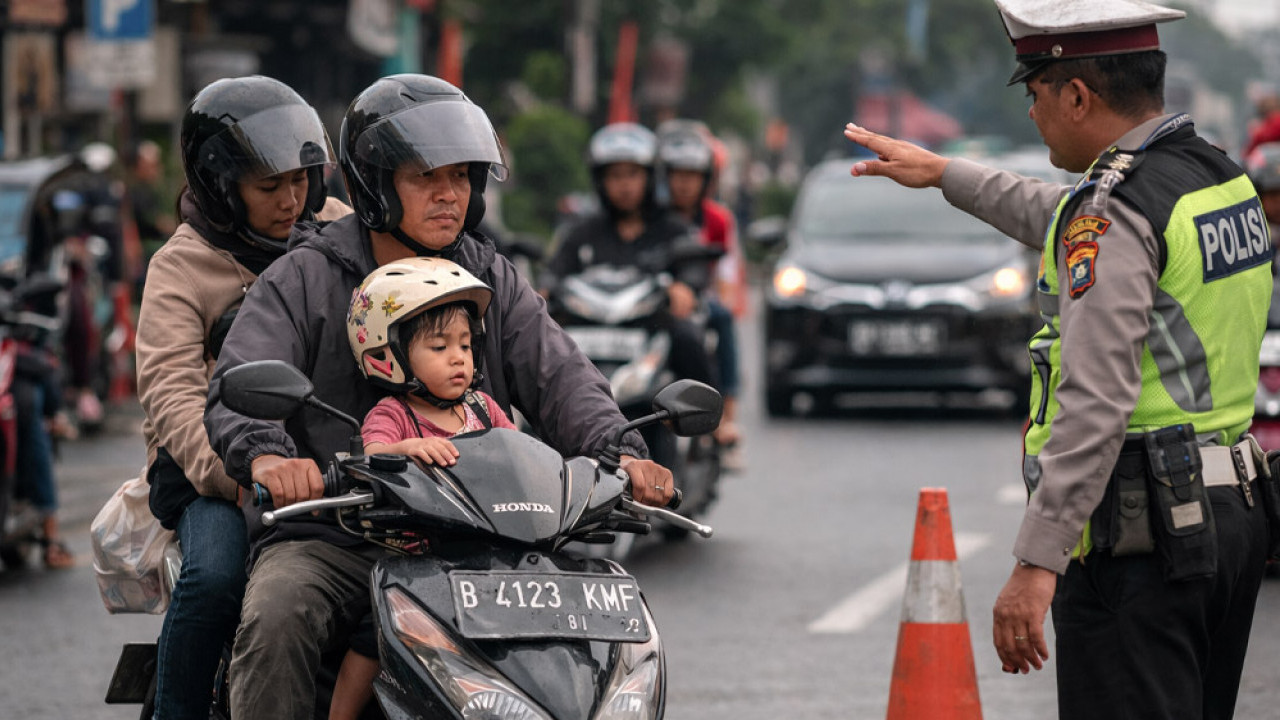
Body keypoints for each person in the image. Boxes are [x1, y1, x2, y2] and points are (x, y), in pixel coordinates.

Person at [843, 1, 1271, 718]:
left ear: (1077, 95)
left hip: (1145, 537)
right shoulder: (1213, 176)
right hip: (1229, 516)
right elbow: (1070, 216)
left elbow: (1096, 401)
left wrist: (1037, 561)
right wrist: (945, 173)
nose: (1032, 112)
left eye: (1036, 91)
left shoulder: (1117, 210)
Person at [203, 74, 675, 720]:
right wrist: (268, 457)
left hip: (483, 534)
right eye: (426, 177)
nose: (449, 193)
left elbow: (562, 375)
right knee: (278, 612)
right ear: (375, 184)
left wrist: (622, 452)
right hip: (338, 533)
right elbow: (244, 377)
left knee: (596, 639)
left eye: (460, 176)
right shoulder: (306, 276)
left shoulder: (487, 276)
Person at [136, 75, 344, 720]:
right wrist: (242, 474)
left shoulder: (339, 230)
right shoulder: (180, 266)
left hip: (332, 459)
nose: (291, 200)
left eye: (300, 180)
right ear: (222, 187)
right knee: (215, 579)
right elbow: (171, 391)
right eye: (268, 186)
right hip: (213, 474)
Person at [329, 256, 516, 720]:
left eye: (465, 345)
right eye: (439, 346)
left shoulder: (484, 408)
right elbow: (370, 456)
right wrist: (407, 448)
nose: (458, 357)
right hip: (419, 563)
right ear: (389, 354)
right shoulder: (393, 414)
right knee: (374, 634)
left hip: (491, 557)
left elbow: (522, 455)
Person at [545, 122, 718, 421]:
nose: (624, 185)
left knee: (688, 336)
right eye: (615, 176)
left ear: (650, 177)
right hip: (589, 329)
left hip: (652, 328)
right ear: (600, 180)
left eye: (633, 174)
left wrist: (684, 288)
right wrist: (543, 291)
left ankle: (707, 418)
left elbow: (694, 268)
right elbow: (554, 271)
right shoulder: (583, 230)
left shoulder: (672, 228)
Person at [657, 120, 746, 466]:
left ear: (706, 179)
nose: (684, 183)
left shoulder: (718, 219)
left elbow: (726, 270)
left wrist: (712, 300)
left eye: (692, 176)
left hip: (700, 294)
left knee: (722, 319)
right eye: (678, 175)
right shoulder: (654, 216)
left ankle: (725, 416)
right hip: (656, 294)